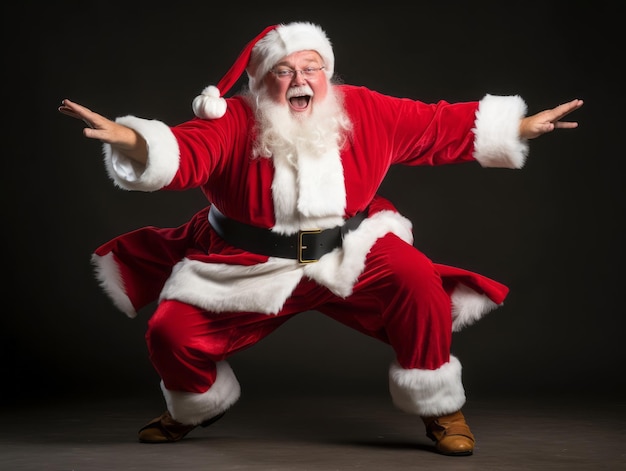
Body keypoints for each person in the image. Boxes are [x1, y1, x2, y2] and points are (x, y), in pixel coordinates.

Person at [58, 21, 583, 456]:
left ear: (326, 75)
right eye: (283, 71)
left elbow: (438, 125)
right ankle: (195, 405)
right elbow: (182, 152)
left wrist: (517, 127)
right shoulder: (235, 121)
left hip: (348, 250)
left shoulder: (366, 110)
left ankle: (440, 407)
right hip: (249, 261)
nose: (298, 80)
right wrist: (131, 139)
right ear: (263, 81)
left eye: (310, 69)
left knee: (419, 283)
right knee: (169, 333)